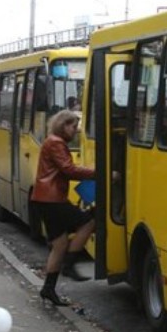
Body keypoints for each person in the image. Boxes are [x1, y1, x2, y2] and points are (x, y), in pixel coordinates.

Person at [31, 110, 95, 306]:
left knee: (59, 245)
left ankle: (48, 289)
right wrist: (98, 173)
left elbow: (64, 170)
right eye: (73, 126)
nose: (75, 131)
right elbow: (69, 169)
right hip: (52, 200)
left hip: (44, 199)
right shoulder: (56, 143)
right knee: (91, 219)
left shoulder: (52, 141)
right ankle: (70, 263)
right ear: (63, 125)